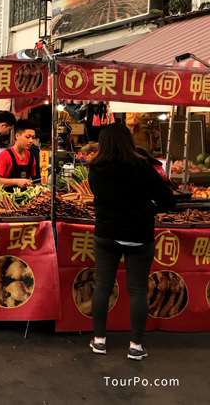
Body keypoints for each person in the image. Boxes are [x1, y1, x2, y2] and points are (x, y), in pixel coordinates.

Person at [88, 123, 175, 361]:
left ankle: (99, 341)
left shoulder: (95, 168)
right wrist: (148, 208)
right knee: (137, 290)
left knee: (103, 286)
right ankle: (136, 346)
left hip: (106, 234)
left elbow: (99, 196)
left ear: (103, 143)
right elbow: (168, 201)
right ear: (128, 141)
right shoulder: (142, 166)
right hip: (138, 236)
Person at [0, 119, 39, 189]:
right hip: (6, 198)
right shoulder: (5, 156)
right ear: (17, 136)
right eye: (27, 137)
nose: (31, 141)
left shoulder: (31, 157)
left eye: (33, 137)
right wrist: (17, 181)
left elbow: (30, 179)